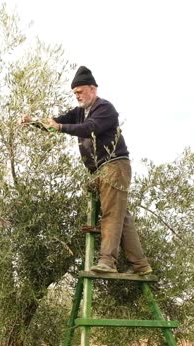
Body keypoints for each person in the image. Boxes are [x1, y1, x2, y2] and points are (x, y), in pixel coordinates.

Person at [24, 66, 151, 275]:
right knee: (122, 216)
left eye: (80, 91)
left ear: (92, 88)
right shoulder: (79, 112)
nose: (77, 96)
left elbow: (88, 128)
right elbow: (55, 123)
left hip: (115, 166)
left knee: (110, 215)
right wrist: (33, 123)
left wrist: (61, 128)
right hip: (101, 170)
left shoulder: (105, 109)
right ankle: (140, 265)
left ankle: (107, 262)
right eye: (74, 93)